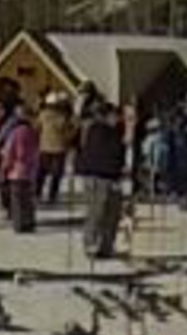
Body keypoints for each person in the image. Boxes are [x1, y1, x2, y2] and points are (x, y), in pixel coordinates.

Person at [74, 98, 127, 259]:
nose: (118, 119)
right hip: (99, 177)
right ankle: (91, 244)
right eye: (115, 116)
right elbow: (105, 155)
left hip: (110, 177)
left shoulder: (112, 132)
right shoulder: (98, 131)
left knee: (112, 214)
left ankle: (106, 246)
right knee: (97, 212)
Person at [0, 101, 40, 233]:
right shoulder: (32, 132)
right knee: (28, 199)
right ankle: (29, 221)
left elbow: (10, 152)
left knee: (17, 199)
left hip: (16, 171)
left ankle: (19, 223)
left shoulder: (15, 133)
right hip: (30, 170)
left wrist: (4, 168)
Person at [36, 94, 74, 205]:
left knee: (41, 172)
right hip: (59, 148)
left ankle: (37, 193)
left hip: (44, 147)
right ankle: (52, 195)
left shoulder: (42, 115)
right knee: (56, 174)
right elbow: (68, 132)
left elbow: (37, 128)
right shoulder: (62, 117)